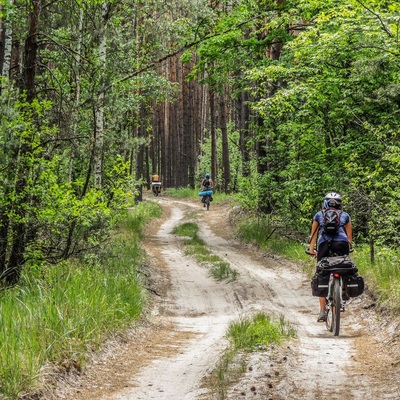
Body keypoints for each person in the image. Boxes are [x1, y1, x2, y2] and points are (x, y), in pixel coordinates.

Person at [308, 191, 353, 322]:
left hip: (324, 245)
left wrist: (312, 250)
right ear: (339, 204)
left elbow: (314, 236)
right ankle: (342, 294)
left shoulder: (319, 215)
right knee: (344, 266)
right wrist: (348, 247)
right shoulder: (345, 215)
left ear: (325, 203)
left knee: (322, 273)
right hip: (341, 244)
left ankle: (322, 311)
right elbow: (349, 238)